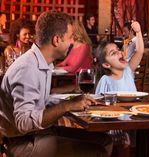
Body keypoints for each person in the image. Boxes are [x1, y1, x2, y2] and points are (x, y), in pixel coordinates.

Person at [0, 10, 112, 157]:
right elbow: (24, 123)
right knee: (98, 152)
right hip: (24, 141)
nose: (73, 42)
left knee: (105, 140)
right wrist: (66, 106)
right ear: (57, 40)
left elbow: (41, 101)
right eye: (71, 37)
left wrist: (72, 101)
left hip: (39, 133)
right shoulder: (27, 68)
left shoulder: (42, 61)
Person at [95, 21, 144, 94]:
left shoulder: (128, 70)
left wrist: (138, 32)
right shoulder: (105, 80)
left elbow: (139, 51)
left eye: (118, 49)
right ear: (106, 64)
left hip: (132, 105)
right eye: (113, 53)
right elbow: (99, 101)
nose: (119, 52)